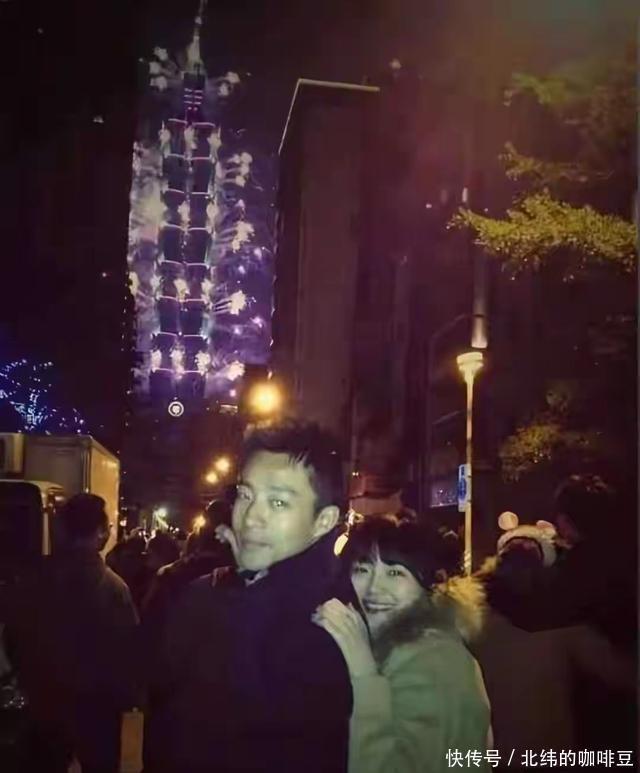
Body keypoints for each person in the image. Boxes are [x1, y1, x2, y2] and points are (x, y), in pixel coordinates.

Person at [144, 420, 357, 773]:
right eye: (246, 495)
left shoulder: (332, 624)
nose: (251, 517)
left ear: (323, 521)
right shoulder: (203, 595)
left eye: (278, 502)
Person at [314, 515, 491, 773]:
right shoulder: (403, 644)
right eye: (363, 569)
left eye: (395, 572)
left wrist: (363, 673)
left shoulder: (433, 660)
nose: (374, 588)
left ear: (429, 584)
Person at [472, 515, 635, 764]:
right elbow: (619, 671)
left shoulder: (471, 619)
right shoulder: (559, 618)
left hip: (493, 753)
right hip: (549, 754)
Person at [7, 494, 139, 773]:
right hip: (98, 709)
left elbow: (14, 637)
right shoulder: (115, 589)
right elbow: (128, 653)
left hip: (45, 703)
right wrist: (127, 698)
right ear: (100, 532)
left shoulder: (34, 578)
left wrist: (30, 679)